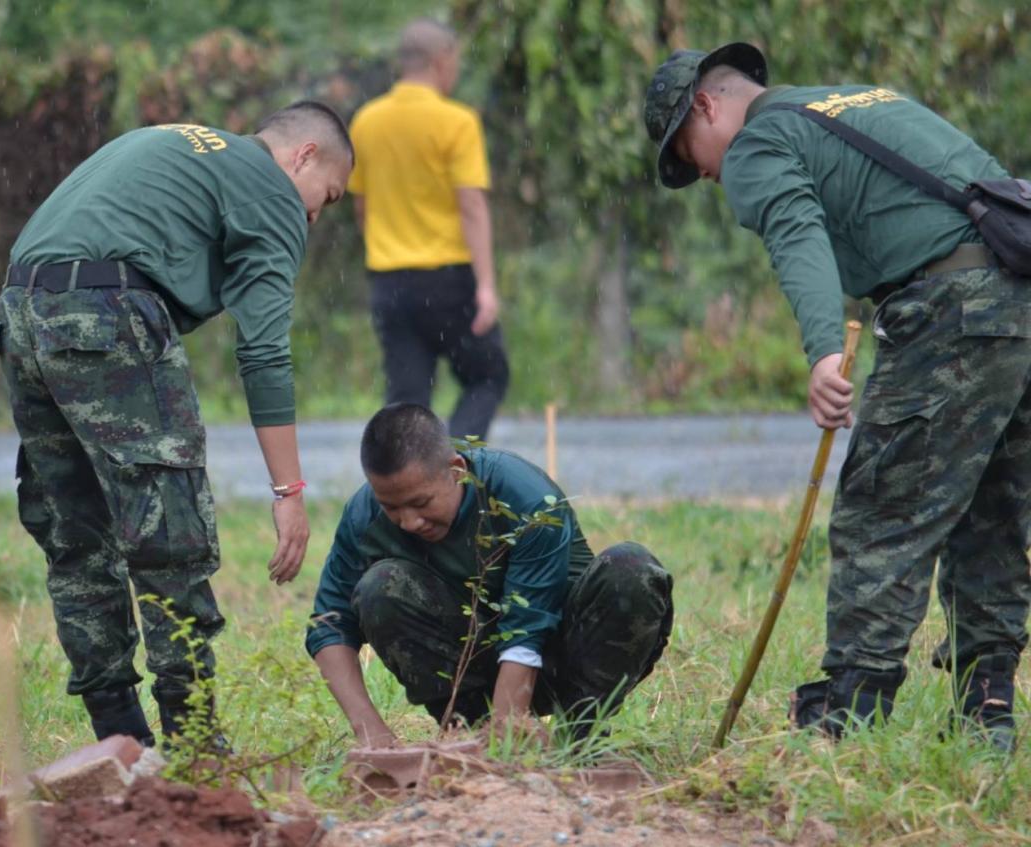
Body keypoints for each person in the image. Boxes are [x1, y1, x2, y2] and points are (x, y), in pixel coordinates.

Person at [645, 43, 1031, 750]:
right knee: (991, 513)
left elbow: (797, 234)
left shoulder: (759, 141)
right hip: (1019, 297)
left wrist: (825, 348)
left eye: (688, 151)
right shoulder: (853, 98)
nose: (702, 173)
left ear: (706, 105)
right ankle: (988, 718)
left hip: (953, 308)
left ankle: (851, 717)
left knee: (884, 508)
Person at [0, 101, 354, 749]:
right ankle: (194, 746)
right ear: (302, 155)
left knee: (77, 534)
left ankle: (118, 740)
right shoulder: (271, 189)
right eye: (324, 197)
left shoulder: (182, 141)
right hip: (104, 311)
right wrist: (289, 492)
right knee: (170, 535)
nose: (312, 217)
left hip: (19, 310)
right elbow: (264, 351)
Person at [306, 404, 673, 746]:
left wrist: (509, 732)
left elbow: (527, 630)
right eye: (392, 508)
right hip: (475, 667)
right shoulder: (363, 515)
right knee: (379, 587)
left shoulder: (523, 495)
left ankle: (580, 737)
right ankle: (469, 735)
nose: (409, 522)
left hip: (568, 655)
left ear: (456, 470)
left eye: (421, 503)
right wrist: (373, 736)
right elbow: (329, 623)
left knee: (632, 569)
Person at [347, 19, 510, 441]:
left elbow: (361, 208)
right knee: (488, 376)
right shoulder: (456, 121)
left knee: (407, 403)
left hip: (390, 282)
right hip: (449, 281)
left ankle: (403, 491)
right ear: (443, 61)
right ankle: (458, 467)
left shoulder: (367, 122)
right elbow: (471, 204)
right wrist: (486, 285)